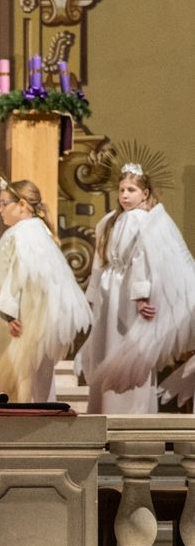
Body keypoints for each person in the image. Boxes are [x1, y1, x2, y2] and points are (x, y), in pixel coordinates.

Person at [77, 161, 195, 413]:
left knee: (128, 346)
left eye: (131, 190)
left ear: (145, 193)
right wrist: (93, 295)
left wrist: (141, 296)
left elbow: (144, 259)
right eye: (121, 190)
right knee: (104, 346)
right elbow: (99, 260)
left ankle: (129, 411)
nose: (125, 195)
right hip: (109, 290)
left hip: (127, 293)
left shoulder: (144, 221)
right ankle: (103, 409)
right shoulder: (109, 221)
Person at [0, 179, 91, 403]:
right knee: (29, 380)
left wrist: (10, 313)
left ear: (22, 204)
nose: (0, 210)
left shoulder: (24, 233)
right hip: (17, 315)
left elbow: (23, 275)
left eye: (4, 204)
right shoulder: (34, 230)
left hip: (17, 320)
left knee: (20, 380)